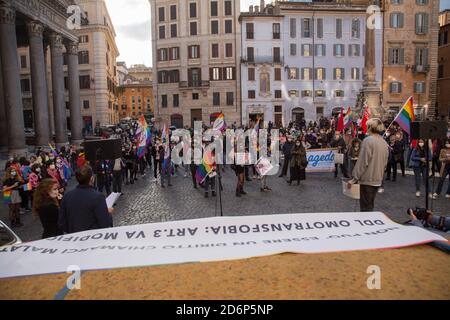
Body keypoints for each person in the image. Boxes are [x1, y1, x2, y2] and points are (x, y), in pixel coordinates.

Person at [58, 165, 113, 234]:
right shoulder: (98, 197)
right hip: (92, 238)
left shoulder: (67, 196)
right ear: (91, 179)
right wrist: (108, 213)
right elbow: (104, 223)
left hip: (74, 238)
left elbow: (62, 223)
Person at [349, 118, 389, 212]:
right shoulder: (383, 142)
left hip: (367, 180)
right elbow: (385, 162)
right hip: (378, 179)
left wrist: (354, 178)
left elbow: (363, 162)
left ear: (370, 127)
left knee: (365, 209)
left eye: (367, 126)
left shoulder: (368, 140)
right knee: (370, 206)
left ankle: (367, 225)